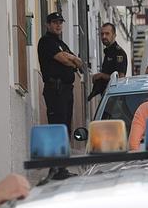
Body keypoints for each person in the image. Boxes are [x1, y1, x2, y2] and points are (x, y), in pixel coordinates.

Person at [38, 12, 82, 180]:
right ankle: (55, 168)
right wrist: (70, 59)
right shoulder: (46, 42)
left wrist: (71, 58)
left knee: (65, 128)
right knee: (57, 128)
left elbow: (78, 62)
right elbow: (64, 60)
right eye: (55, 22)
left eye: (60, 23)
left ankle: (62, 167)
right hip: (55, 90)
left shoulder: (61, 43)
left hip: (66, 90)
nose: (58, 25)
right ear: (48, 24)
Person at [88, 23, 128, 101]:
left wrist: (101, 75)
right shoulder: (108, 52)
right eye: (102, 34)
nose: (104, 36)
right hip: (107, 95)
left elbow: (120, 78)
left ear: (114, 35)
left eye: (107, 34)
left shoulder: (119, 53)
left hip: (115, 96)